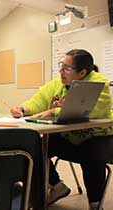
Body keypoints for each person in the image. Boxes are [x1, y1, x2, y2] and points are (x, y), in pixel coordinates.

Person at [10, 49, 113, 210]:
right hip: (70, 138)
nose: (61, 71)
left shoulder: (97, 83)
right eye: (61, 66)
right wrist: (23, 109)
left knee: (93, 154)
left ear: (82, 73)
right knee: (36, 146)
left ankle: (95, 204)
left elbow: (88, 110)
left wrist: (53, 111)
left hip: (98, 137)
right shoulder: (56, 84)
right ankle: (57, 186)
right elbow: (39, 100)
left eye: (66, 68)